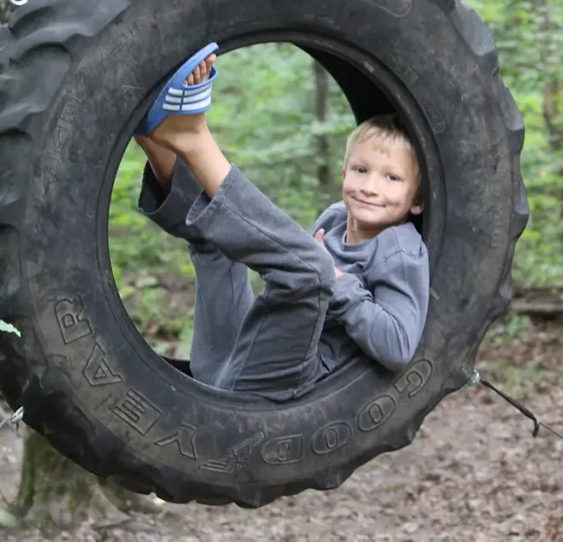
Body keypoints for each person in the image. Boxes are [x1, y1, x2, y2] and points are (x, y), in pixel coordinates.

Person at [133, 43, 429, 401]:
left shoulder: (401, 249)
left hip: (292, 389)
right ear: (344, 172)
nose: (370, 187)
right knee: (220, 239)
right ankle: (154, 136)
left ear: (417, 201)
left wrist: (338, 282)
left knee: (311, 270)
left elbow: (398, 346)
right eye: (361, 170)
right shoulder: (336, 219)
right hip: (230, 365)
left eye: (391, 178)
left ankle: (192, 138)